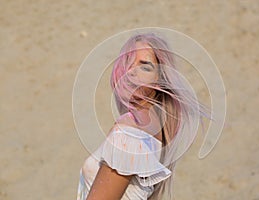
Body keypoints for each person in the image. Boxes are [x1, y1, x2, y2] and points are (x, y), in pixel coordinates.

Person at [76, 32, 209, 200]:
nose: (131, 72)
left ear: (160, 79)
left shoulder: (128, 134)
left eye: (145, 66)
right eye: (128, 64)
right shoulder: (151, 129)